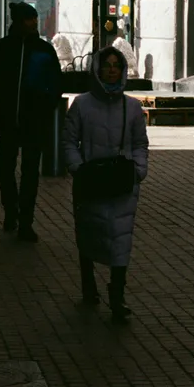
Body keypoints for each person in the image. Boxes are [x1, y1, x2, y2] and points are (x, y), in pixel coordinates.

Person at [64, 47, 150, 321]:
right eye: (107, 65)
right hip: (91, 180)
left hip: (121, 183)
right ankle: (89, 286)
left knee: (120, 238)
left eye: (117, 65)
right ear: (97, 69)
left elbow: (140, 144)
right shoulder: (82, 104)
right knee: (89, 232)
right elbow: (68, 140)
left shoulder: (133, 107)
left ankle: (117, 296)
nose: (112, 69)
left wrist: (138, 170)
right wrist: (78, 167)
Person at [0, 2, 64, 242]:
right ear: (17, 21)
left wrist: (47, 108)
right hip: (7, 120)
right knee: (4, 168)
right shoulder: (2, 49)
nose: (33, 23)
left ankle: (26, 221)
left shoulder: (44, 50)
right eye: (28, 19)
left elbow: (56, 84)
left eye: (34, 18)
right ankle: (10, 210)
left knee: (30, 172)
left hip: (34, 122)